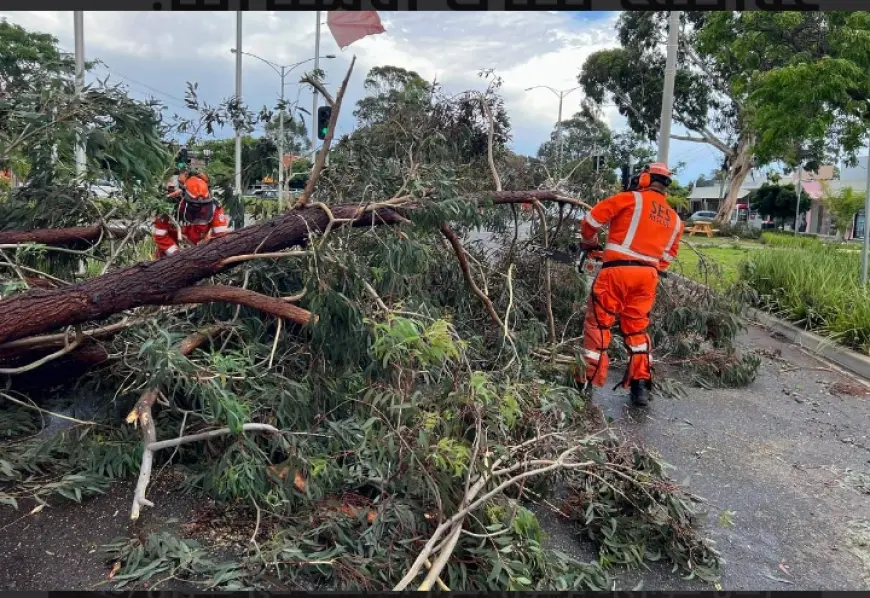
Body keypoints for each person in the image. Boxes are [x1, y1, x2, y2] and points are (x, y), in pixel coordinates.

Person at [574, 162, 684, 407]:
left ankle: (585, 384)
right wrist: (640, 263)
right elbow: (667, 258)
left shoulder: (629, 199)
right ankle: (640, 387)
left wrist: (590, 243)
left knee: (599, 325)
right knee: (636, 329)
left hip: (616, 274)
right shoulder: (675, 220)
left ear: (644, 179)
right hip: (647, 278)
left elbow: (590, 221)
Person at [153, 173, 230, 258]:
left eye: (203, 205)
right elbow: (160, 235)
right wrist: (175, 255)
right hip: (167, 257)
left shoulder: (214, 207)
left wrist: (211, 253)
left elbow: (221, 235)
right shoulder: (168, 207)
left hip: (199, 253)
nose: (200, 208)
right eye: (195, 205)